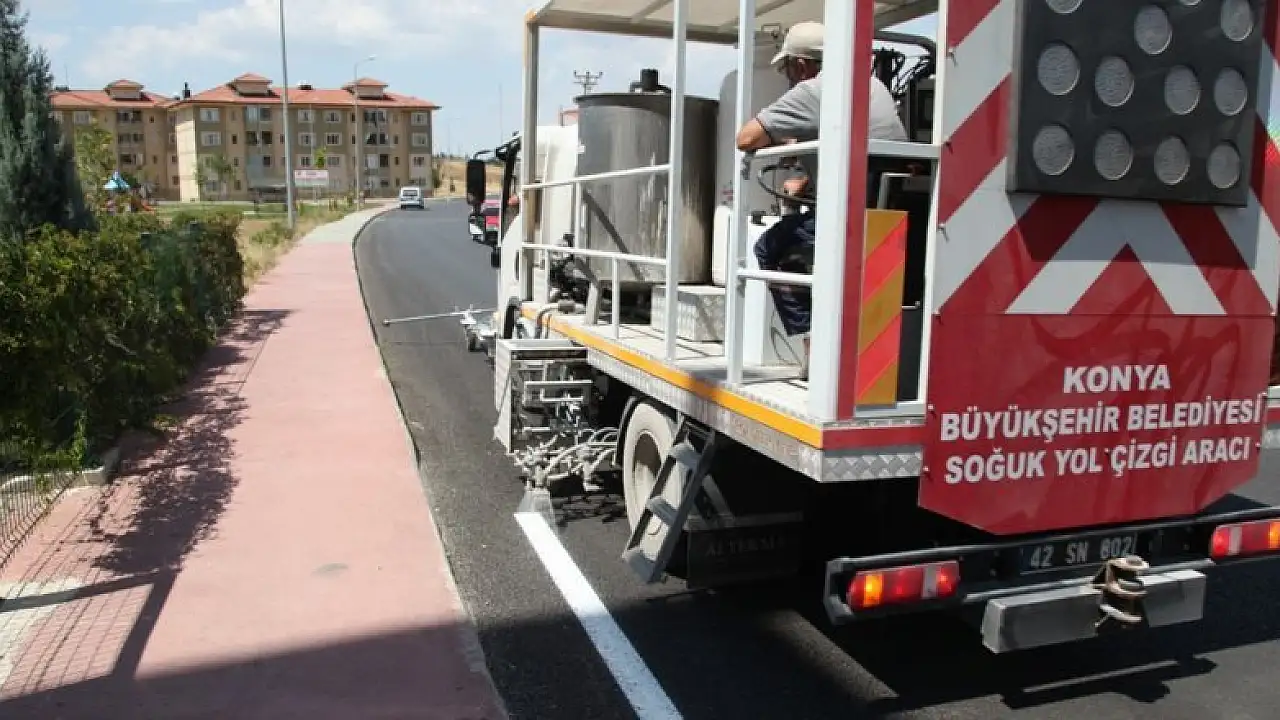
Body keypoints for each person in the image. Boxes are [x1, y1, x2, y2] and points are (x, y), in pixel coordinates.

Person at [735, 21, 907, 380]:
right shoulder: (873, 85)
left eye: (786, 69)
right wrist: (807, 177)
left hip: (848, 220)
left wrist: (780, 140)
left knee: (771, 248)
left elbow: (745, 138)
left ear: (801, 65)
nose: (787, 77)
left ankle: (815, 347)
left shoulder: (813, 90)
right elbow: (858, 150)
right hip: (889, 211)